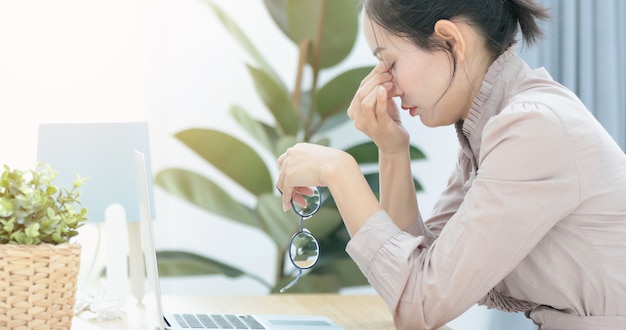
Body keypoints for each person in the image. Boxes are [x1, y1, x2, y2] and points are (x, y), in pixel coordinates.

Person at [276, 0, 626, 329]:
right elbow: (418, 274)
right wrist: (393, 151)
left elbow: (420, 306)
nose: (388, 86)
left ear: (450, 40)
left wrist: (340, 173)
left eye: (390, 63)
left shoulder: (531, 127)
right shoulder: (492, 128)